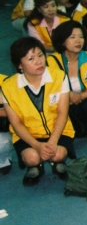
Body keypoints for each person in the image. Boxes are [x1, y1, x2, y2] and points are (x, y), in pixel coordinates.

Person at [1, 38, 76, 186]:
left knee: (58, 154)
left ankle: (56, 162)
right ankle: (36, 165)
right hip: (29, 134)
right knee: (32, 158)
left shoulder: (59, 76)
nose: (38, 61)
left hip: (58, 130)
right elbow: (16, 123)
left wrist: (53, 142)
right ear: (19, 65)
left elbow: (62, 113)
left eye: (40, 55)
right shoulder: (8, 87)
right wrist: (36, 145)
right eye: (31, 58)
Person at [50, 21, 87, 142]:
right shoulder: (51, 61)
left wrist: (79, 96)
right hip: (61, 100)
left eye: (81, 37)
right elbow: (50, 88)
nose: (78, 41)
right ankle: (78, 129)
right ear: (62, 40)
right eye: (73, 37)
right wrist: (68, 95)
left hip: (83, 98)